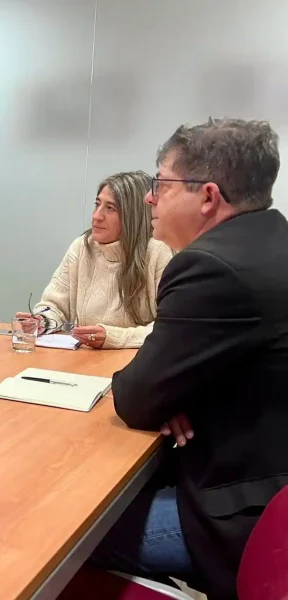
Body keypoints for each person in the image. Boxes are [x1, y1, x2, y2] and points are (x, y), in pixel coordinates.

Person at [93, 118, 288, 599]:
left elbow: (136, 397)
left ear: (208, 197)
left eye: (160, 183)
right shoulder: (272, 241)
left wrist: (167, 394)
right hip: (271, 484)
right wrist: (177, 393)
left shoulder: (211, 267)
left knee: (61, 527)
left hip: (240, 513)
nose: (149, 197)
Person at [18, 171, 173, 349]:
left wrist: (113, 337)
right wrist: (42, 321)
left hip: (138, 362)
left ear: (133, 216)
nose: (96, 216)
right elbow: (54, 305)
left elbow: (170, 329)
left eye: (110, 208)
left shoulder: (158, 252)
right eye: (97, 205)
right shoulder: (82, 247)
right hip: (87, 360)